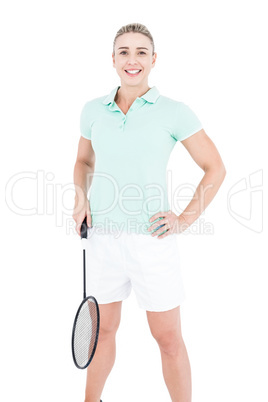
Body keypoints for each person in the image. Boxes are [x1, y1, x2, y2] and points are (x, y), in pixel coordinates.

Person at [72, 22, 226, 402]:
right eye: (124, 51)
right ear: (112, 59)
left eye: (141, 52)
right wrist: (81, 199)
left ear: (153, 60)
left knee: (168, 337)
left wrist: (184, 219)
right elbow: (83, 161)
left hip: (152, 241)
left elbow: (215, 167)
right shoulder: (94, 110)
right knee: (102, 332)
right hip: (104, 237)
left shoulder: (174, 111)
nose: (132, 59)